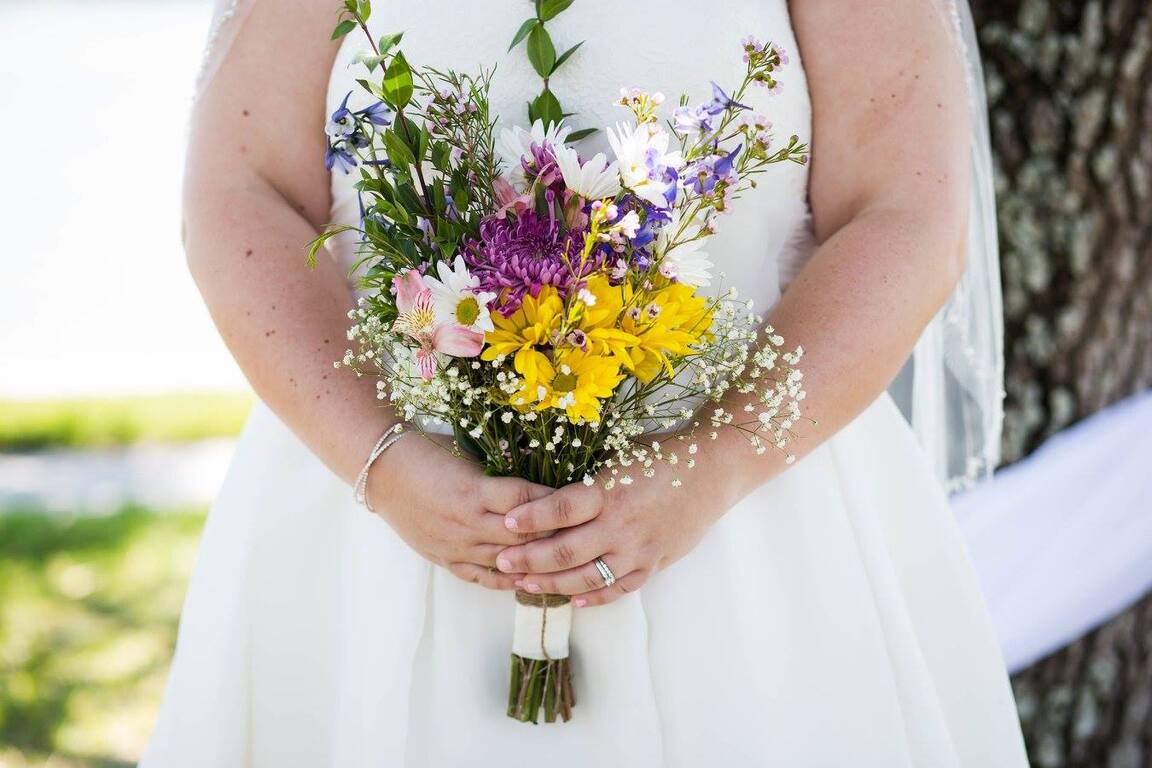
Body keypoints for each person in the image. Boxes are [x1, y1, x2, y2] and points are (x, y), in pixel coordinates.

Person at [143, 0, 1029, 764]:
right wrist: (384, 460)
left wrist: (708, 466)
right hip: (367, 527)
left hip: (746, 523)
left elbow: (907, 211)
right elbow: (237, 186)